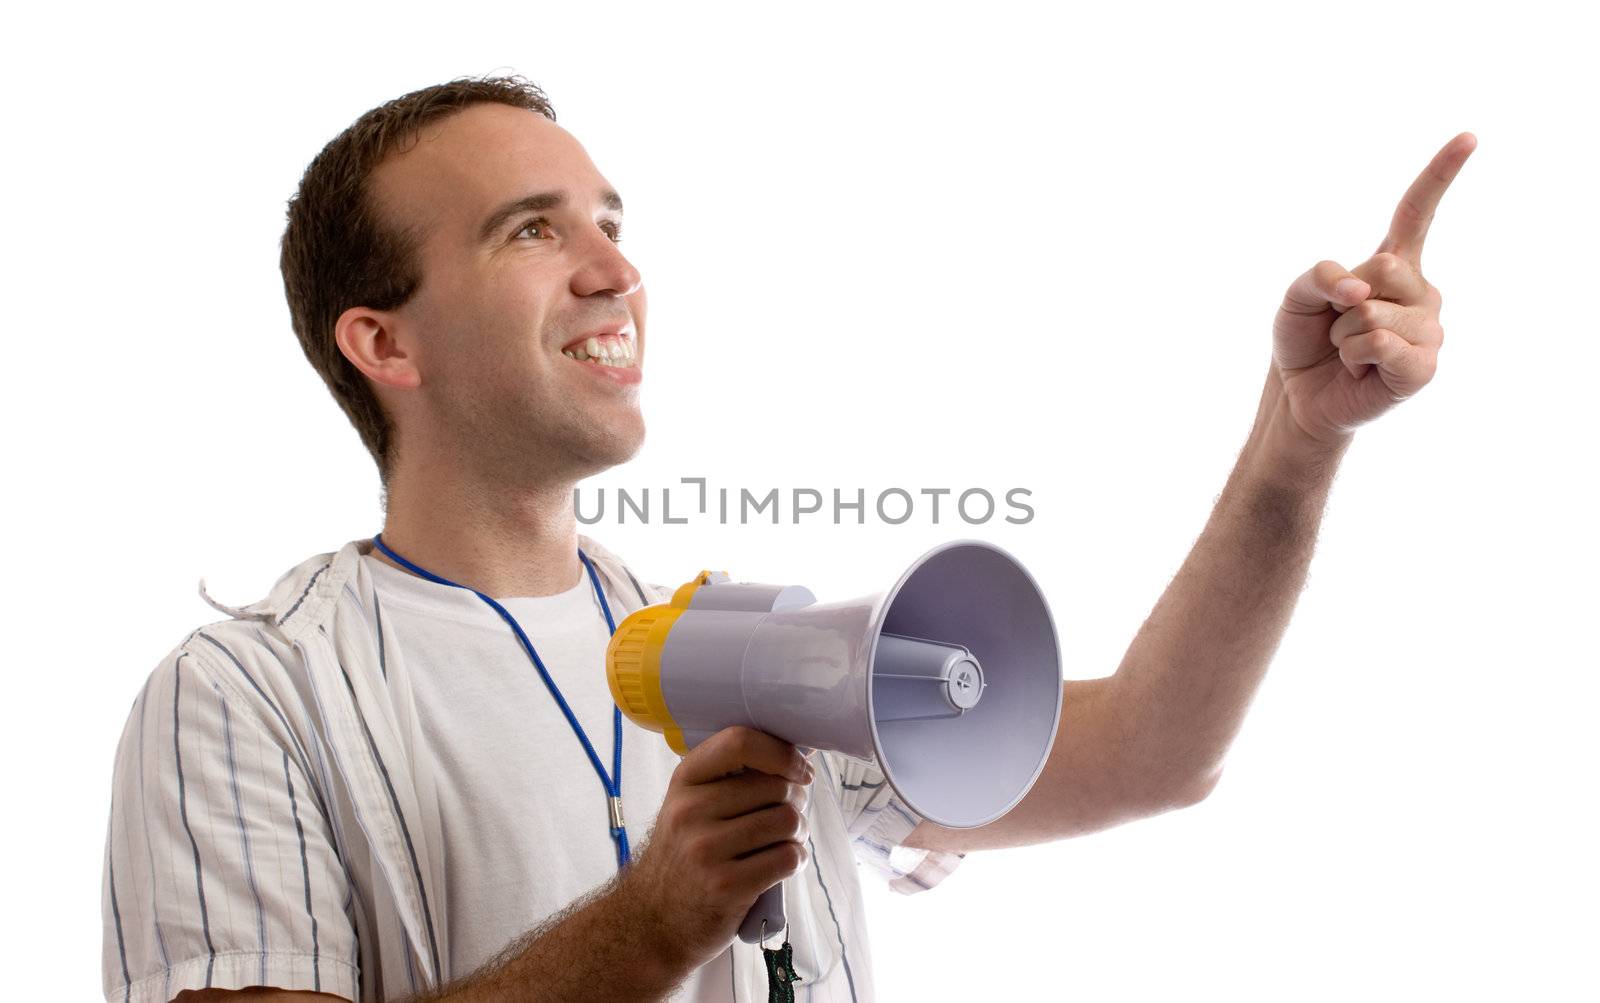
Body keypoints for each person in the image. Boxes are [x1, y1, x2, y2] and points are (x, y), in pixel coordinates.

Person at [99, 75, 1475, 1003]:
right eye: (529, 231)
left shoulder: (736, 645)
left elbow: (1154, 756)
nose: (612, 269)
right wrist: (651, 929)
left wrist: (1300, 443)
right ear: (381, 340)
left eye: (610, 223)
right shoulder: (245, 697)